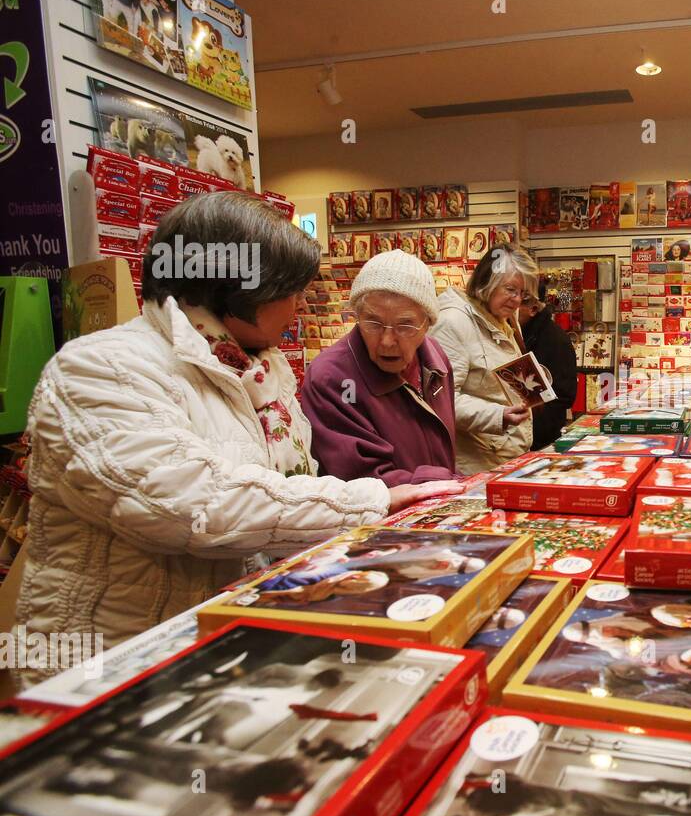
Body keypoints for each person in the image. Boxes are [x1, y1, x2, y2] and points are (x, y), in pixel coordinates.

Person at [14, 193, 450, 678]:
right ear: (238, 290)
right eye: (290, 289)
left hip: (221, 646)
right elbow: (192, 505)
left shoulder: (259, 369)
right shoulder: (100, 368)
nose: (301, 304)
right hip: (114, 665)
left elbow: (285, 489)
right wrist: (371, 501)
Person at [302, 250, 465, 486]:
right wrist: (448, 481)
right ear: (357, 316)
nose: (387, 341)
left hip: (434, 510)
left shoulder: (435, 359)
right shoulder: (330, 378)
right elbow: (364, 480)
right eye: (373, 323)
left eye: (405, 325)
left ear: (427, 324)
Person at [431, 243, 536, 473]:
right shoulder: (452, 323)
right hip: (475, 465)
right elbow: (441, 400)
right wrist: (497, 415)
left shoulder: (503, 318)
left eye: (522, 293)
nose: (517, 300)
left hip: (503, 457)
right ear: (487, 283)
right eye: (510, 289)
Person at [519, 279, 578, 450]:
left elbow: (564, 395)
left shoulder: (555, 341)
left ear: (533, 308)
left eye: (517, 302)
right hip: (522, 437)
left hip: (540, 441)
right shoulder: (520, 333)